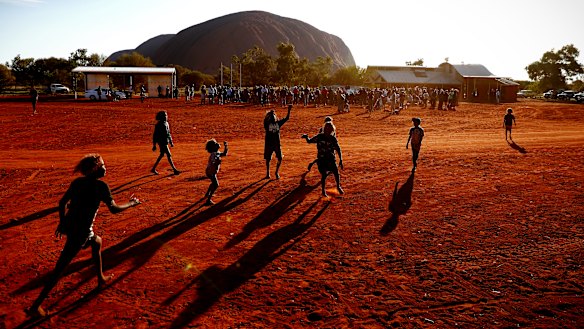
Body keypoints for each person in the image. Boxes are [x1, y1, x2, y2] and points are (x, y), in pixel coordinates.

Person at [28, 154, 141, 317]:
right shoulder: (101, 187)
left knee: (97, 242)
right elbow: (114, 209)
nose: (105, 167)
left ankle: (101, 278)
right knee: (60, 268)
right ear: (95, 168)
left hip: (74, 226)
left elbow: (62, 203)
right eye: (102, 165)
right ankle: (36, 306)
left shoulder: (77, 183)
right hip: (80, 232)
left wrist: (62, 223)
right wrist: (131, 203)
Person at [302, 121, 344, 197]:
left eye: (329, 129)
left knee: (336, 172)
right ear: (324, 129)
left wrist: (341, 159)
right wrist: (306, 137)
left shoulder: (332, 138)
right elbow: (310, 141)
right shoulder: (320, 136)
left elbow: (338, 149)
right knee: (324, 175)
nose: (327, 130)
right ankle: (323, 191)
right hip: (322, 159)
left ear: (332, 130)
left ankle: (338, 186)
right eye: (326, 128)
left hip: (331, 159)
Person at [264, 104, 292, 179]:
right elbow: (266, 120)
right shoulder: (267, 123)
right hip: (270, 144)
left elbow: (287, 118)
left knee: (279, 158)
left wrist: (289, 110)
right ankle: (268, 173)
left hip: (275, 144)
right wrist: (270, 114)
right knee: (268, 159)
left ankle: (275, 172)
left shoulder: (277, 123)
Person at [151, 111, 181, 175]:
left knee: (162, 155)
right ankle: (174, 169)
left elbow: (168, 133)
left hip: (165, 141)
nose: (166, 117)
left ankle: (153, 168)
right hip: (162, 142)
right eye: (164, 115)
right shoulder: (158, 125)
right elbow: (155, 135)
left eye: (166, 115)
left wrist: (171, 141)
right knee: (169, 155)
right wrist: (154, 145)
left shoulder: (166, 123)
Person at [204, 139, 228, 206]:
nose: (217, 143)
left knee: (213, 183)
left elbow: (224, 154)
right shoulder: (214, 154)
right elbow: (214, 160)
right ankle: (208, 200)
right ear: (213, 148)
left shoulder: (217, 152)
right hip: (211, 172)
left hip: (210, 171)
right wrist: (216, 162)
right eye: (215, 143)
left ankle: (207, 194)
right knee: (216, 184)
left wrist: (226, 146)